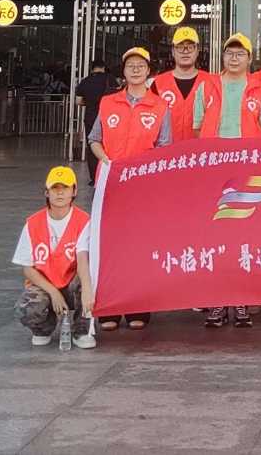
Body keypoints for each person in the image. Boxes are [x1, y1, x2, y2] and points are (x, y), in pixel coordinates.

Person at [190, 33, 261, 328]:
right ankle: (216, 300)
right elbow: (197, 126)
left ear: (250, 58)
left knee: (244, 236)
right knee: (213, 235)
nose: (235, 58)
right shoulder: (206, 87)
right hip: (213, 171)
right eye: (230, 53)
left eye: (241, 54)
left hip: (246, 173)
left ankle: (241, 298)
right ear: (223, 56)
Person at [88, 46, 172, 330]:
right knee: (111, 245)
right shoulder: (108, 103)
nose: (135, 70)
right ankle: (110, 307)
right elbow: (95, 139)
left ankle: (138, 305)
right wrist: (106, 160)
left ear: (149, 71)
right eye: (130, 65)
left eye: (141, 65)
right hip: (111, 186)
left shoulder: (160, 106)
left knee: (139, 245)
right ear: (123, 71)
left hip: (142, 188)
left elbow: (164, 147)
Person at [12, 165, 97, 350]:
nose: (60, 193)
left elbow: (83, 259)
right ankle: (44, 328)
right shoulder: (33, 223)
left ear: (74, 191)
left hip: (71, 283)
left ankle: (82, 329)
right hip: (45, 284)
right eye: (55, 188)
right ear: (46, 192)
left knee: (87, 283)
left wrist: (88, 289)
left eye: (65, 188)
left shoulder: (83, 221)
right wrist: (53, 292)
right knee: (26, 307)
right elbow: (27, 268)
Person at [150, 27, 205, 144]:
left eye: (190, 47)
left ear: (197, 50)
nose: (185, 51)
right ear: (173, 51)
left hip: (202, 151)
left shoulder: (211, 82)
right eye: (180, 47)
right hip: (167, 152)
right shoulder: (158, 84)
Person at [73, 62, 111, 183]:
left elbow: (78, 101)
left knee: (92, 145)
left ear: (92, 69)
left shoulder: (85, 81)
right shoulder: (110, 79)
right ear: (103, 67)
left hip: (91, 116)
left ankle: (94, 178)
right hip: (109, 117)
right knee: (109, 145)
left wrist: (89, 103)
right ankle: (107, 175)